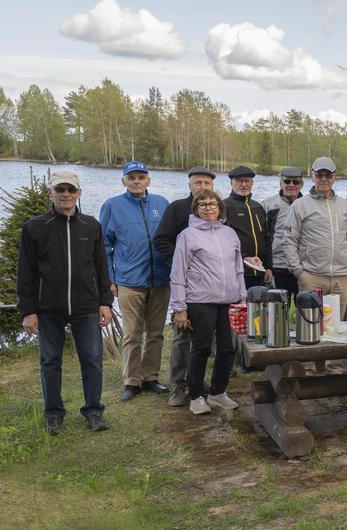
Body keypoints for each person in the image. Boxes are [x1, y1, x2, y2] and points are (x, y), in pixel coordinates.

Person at [17, 170, 113, 434]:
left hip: (86, 306)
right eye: (60, 189)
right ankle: (53, 414)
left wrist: (105, 302)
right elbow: (25, 272)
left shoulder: (91, 226)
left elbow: (101, 267)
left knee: (92, 359)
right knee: (50, 361)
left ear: (79, 193)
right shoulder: (34, 227)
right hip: (48, 308)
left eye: (71, 190)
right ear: (51, 193)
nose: (66, 194)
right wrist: (28, 311)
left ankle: (94, 411)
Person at [99, 160, 171, 402]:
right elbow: (103, 246)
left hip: (160, 280)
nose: (136, 182)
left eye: (141, 177)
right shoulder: (112, 205)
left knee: (156, 333)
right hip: (129, 281)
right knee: (132, 334)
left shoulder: (161, 203)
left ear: (148, 180)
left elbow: (170, 238)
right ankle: (131, 381)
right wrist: (110, 279)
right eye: (131, 178)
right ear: (124, 181)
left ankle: (150, 377)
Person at [169, 190, 245, 416]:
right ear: (196, 209)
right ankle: (196, 396)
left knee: (227, 348)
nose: (208, 208)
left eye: (212, 204)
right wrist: (179, 308)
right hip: (200, 300)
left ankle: (218, 392)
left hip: (228, 300)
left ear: (220, 207)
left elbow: (238, 268)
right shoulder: (187, 235)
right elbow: (178, 272)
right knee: (201, 348)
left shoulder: (230, 233)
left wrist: (242, 297)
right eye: (202, 204)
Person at [153, 166, 216, 406]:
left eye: (206, 183)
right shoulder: (177, 208)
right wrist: (183, 262)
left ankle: (196, 381)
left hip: (211, 283)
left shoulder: (216, 210)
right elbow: (161, 239)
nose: (202, 187)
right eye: (198, 182)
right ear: (189, 185)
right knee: (182, 334)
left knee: (205, 336)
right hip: (185, 282)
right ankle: (178, 385)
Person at [284, 157, 347, 318]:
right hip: (312, 276)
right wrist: (299, 272)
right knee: (310, 326)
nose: (324, 179)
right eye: (319, 175)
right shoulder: (299, 205)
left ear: (334, 177)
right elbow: (289, 240)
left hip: (341, 278)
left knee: (335, 327)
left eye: (328, 175)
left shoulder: (345, 205)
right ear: (312, 176)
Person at [223, 166, 272, 289]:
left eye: (247, 181)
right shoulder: (224, 206)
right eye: (239, 181)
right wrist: (244, 258)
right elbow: (222, 242)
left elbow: (267, 239)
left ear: (252, 183)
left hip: (260, 271)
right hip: (236, 271)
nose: (244, 185)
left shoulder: (258, 207)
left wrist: (269, 267)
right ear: (231, 183)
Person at [262, 166, 304, 295]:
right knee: (278, 305)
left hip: (302, 266)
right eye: (287, 181)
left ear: (301, 184)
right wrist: (266, 266)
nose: (291, 185)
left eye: (295, 182)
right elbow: (262, 237)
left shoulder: (307, 205)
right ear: (280, 183)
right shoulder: (268, 205)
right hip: (277, 266)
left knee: (304, 304)